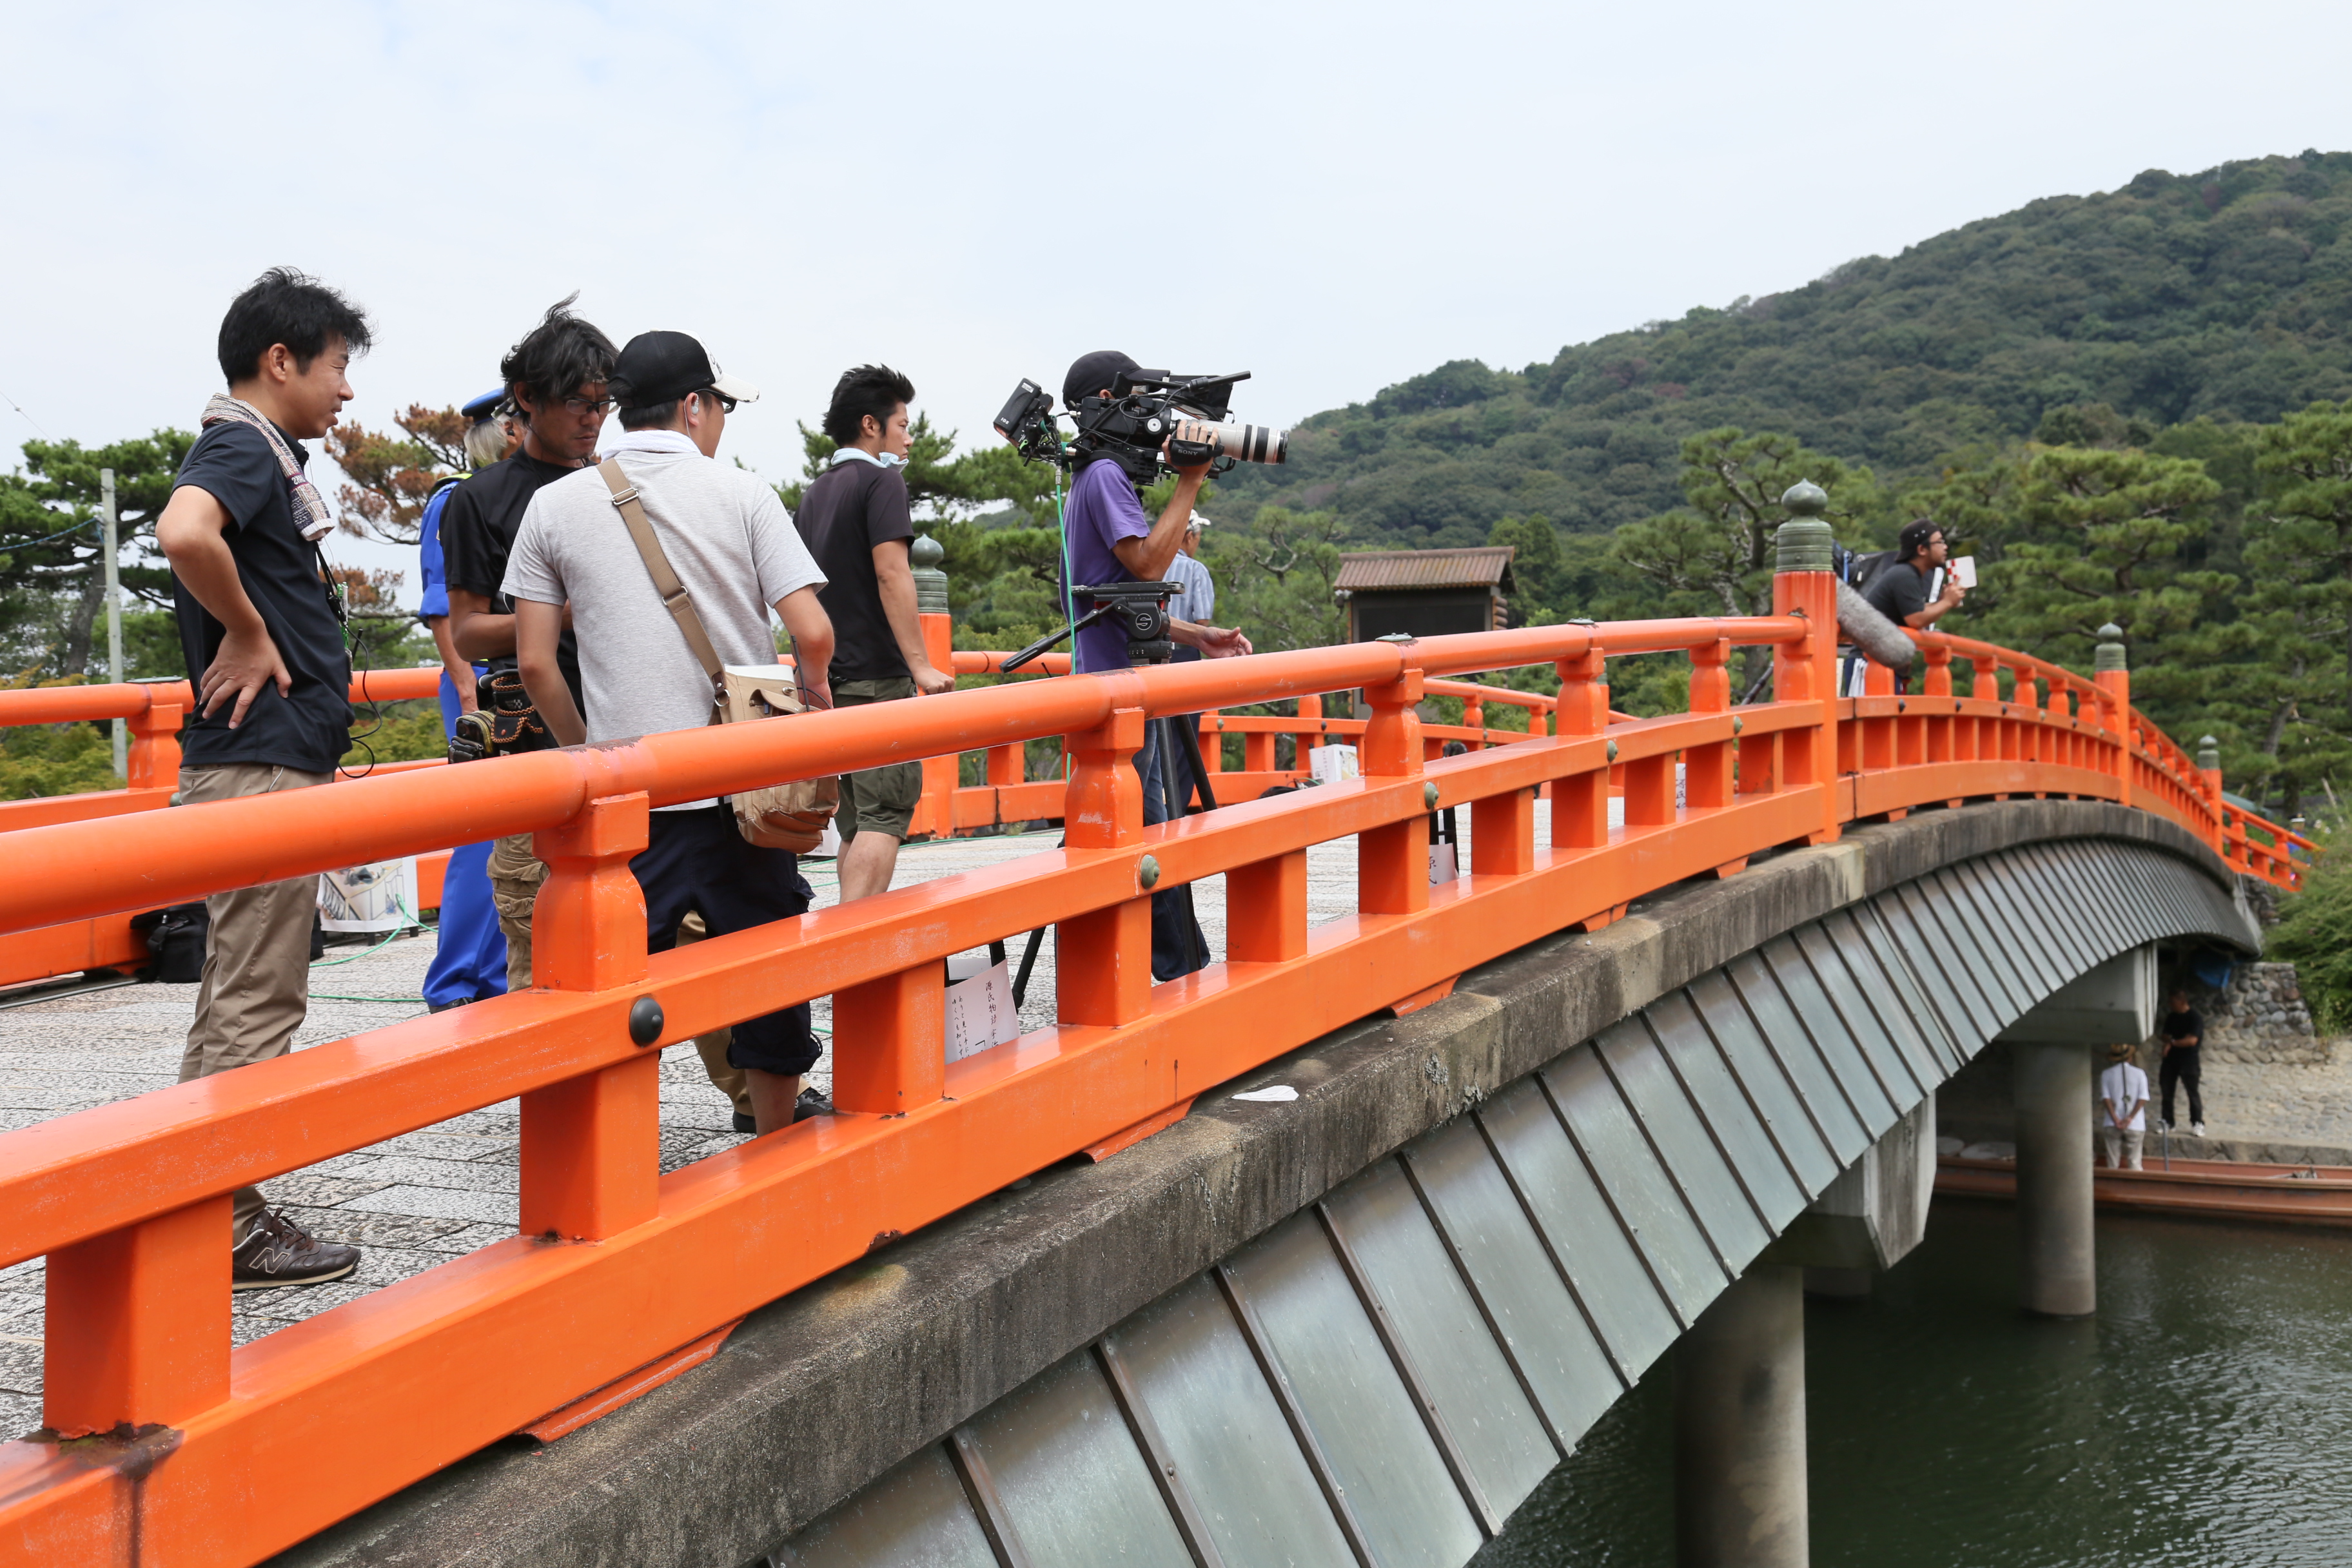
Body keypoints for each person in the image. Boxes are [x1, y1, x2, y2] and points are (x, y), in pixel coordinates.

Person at [505, 330, 835, 1135]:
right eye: (718, 404)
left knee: (611, 991)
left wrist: (593, 751)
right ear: (693, 406)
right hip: (742, 793)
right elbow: (812, 630)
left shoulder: (556, 503)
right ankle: (775, 1141)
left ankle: (606, 1166)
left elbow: (537, 663)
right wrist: (813, 696)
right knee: (766, 977)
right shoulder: (743, 492)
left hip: (631, 800)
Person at [153, 266, 370, 1289]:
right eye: (336, 368)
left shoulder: (254, 447)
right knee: (256, 1000)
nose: (347, 391)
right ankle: (223, 1220)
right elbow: (184, 532)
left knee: (237, 989)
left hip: (258, 764)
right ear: (279, 362)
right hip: (260, 767)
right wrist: (246, 630)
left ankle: (194, 1202)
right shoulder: (241, 443)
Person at [1056, 351, 1254, 981]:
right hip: (1118, 688)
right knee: (1145, 828)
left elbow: (1120, 600)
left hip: (1116, 676)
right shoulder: (1108, 476)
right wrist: (1190, 481)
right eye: (1143, 397)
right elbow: (1145, 566)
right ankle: (1181, 970)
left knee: (1139, 825)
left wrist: (1202, 636)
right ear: (1113, 398)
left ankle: (1170, 964)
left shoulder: (1095, 476)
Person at [440, 298, 616, 991]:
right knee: (535, 934)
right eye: (577, 401)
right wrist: (557, 618)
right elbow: (469, 630)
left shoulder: (618, 490)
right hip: (535, 745)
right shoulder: (479, 501)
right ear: (525, 399)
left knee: (653, 930)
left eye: (604, 404)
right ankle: (549, 1091)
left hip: (627, 728)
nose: (592, 418)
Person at [792, 365, 955, 906]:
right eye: (902, 424)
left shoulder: (818, 491)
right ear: (871, 425)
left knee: (856, 821)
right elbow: (892, 573)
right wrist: (921, 666)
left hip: (831, 683)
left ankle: (843, 942)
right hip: (878, 680)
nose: (909, 437)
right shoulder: (882, 480)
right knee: (886, 815)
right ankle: (851, 958)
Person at [415, 389, 517, 1012]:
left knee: (519, 832)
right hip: (476, 678)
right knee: (483, 831)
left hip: (513, 676)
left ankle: (497, 975)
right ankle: (454, 982)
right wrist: (464, 685)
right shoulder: (455, 499)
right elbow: (441, 610)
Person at [1861, 518, 1966, 636]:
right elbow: (1916, 619)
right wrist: (1948, 602)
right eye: (1940, 542)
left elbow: (1914, 610)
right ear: (1922, 550)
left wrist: (1942, 601)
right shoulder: (1905, 576)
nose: (1945, 547)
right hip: (1869, 654)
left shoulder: (1906, 573)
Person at [2161, 988, 2206, 1135]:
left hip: (2189, 1061)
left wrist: (2173, 1042)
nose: (2170, 1005)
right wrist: (2174, 1041)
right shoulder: (2171, 1017)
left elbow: (2192, 1041)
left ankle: (2197, 1123)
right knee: (2167, 1092)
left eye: (2173, 1002)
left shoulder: (2195, 1018)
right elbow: (2165, 1035)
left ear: (2182, 1002)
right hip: (2170, 1061)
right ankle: (2168, 1122)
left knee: (2192, 1093)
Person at [2099, 1041, 2150, 1170]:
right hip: (2135, 1123)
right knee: (2135, 1162)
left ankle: (2112, 1187)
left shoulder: (2106, 1074)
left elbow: (2106, 1099)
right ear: (2130, 1057)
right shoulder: (2139, 1074)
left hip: (2112, 1123)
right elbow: (2142, 1099)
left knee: (2112, 1163)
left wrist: (2116, 1119)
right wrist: (2130, 1118)